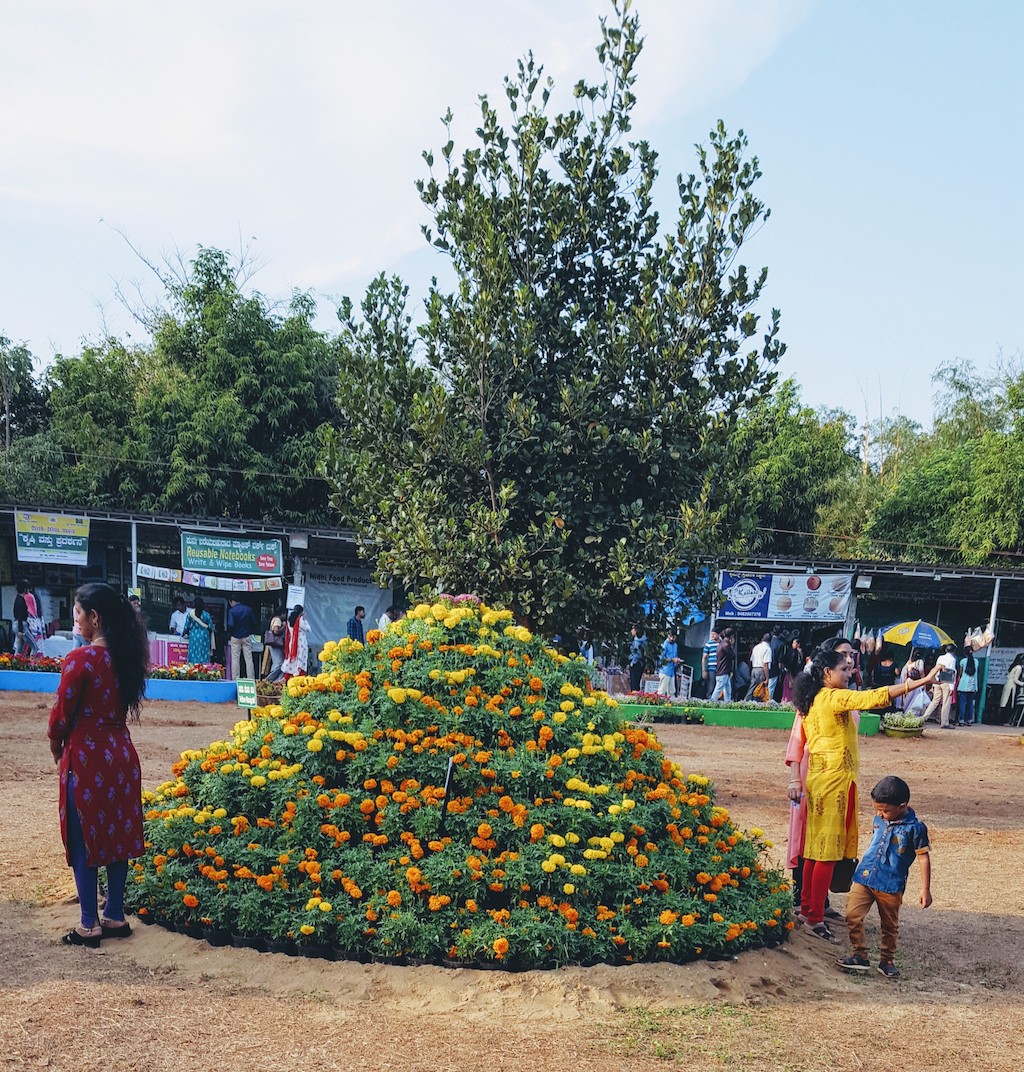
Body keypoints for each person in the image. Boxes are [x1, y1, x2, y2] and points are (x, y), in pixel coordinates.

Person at [790, 649, 938, 942]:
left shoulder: (813, 699)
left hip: (821, 780)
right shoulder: (833, 697)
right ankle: (814, 917)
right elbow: (874, 697)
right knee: (826, 853)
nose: (849, 674)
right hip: (833, 781)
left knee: (814, 851)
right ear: (826, 673)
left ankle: (808, 909)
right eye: (844, 669)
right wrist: (919, 683)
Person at [46, 582, 147, 948]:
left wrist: (57, 746)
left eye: (77, 616)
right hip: (121, 754)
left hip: (86, 757)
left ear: (94, 618)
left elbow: (61, 715)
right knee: (116, 834)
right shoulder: (127, 658)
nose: (75, 623)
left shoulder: (79, 660)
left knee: (82, 835)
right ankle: (115, 916)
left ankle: (89, 925)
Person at [784, 636, 856, 916]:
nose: (849, 660)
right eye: (843, 655)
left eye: (851, 655)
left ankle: (818, 902)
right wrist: (794, 778)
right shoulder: (815, 698)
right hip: (812, 774)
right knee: (807, 838)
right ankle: (805, 901)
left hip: (837, 775)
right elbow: (796, 741)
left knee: (826, 840)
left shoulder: (842, 691)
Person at [839, 775, 932, 979]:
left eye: (885, 810)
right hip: (865, 876)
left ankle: (886, 960)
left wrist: (925, 889)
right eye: (877, 810)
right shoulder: (879, 819)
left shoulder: (915, 829)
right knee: (852, 915)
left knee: (889, 925)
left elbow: (923, 858)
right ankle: (860, 955)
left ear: (902, 806)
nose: (880, 814)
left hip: (890, 884)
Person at [922, 643, 958, 728]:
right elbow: (951, 673)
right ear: (953, 651)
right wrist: (952, 687)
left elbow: (936, 669)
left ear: (945, 650)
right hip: (946, 682)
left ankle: (924, 718)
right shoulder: (952, 659)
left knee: (935, 701)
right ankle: (944, 722)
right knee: (945, 703)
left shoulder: (940, 658)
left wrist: (934, 683)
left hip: (938, 681)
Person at [226, 598, 257, 680]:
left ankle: (235, 678)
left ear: (232, 601)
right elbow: (254, 622)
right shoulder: (249, 610)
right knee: (249, 658)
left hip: (235, 637)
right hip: (246, 636)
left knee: (235, 658)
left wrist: (231, 632)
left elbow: (230, 624)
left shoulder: (232, 611)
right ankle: (251, 678)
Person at [13, 579, 45, 656]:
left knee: (19, 649)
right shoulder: (21, 601)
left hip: (17, 624)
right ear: (25, 589)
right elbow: (20, 616)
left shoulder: (17, 599)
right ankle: (31, 664)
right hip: (21, 626)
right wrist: (21, 630)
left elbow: (15, 614)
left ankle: (15, 663)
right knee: (35, 647)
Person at [182, 596, 215, 665]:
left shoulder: (190, 614)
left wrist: (184, 633)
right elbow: (211, 626)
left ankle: (193, 668)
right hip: (204, 636)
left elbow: (186, 626)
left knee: (194, 652)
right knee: (203, 652)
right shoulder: (206, 614)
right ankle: (204, 668)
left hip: (194, 635)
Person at [282, 604, 310, 680]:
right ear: (301, 612)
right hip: (301, 644)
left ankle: (286, 677)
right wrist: (305, 619)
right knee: (300, 660)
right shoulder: (300, 620)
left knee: (292, 660)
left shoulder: (289, 620)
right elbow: (308, 629)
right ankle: (298, 678)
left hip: (292, 643)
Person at [710, 628, 735, 701]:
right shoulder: (726, 645)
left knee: (727, 690)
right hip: (724, 671)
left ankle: (727, 704)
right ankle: (711, 702)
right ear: (731, 636)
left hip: (722, 671)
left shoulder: (721, 644)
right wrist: (732, 645)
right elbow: (733, 655)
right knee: (718, 690)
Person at [956, 646, 979, 726]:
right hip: (973, 686)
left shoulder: (962, 661)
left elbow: (960, 674)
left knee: (962, 703)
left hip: (963, 685)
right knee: (970, 704)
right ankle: (969, 720)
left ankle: (961, 720)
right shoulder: (976, 661)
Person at [263, 606, 286, 682]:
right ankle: (269, 679)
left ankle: (276, 681)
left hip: (272, 645)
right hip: (276, 644)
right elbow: (276, 630)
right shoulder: (278, 620)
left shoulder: (274, 619)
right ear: (282, 613)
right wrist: (284, 626)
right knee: (279, 664)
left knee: (277, 663)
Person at [998, 653, 1024, 719]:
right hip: (1011, 687)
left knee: (1004, 702)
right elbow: (1015, 679)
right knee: (1009, 703)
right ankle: (1005, 720)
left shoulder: (1015, 666)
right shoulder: (1019, 668)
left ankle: (1002, 719)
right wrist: (1022, 684)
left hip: (1008, 685)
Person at [657, 629, 681, 699]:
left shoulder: (675, 645)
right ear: (668, 635)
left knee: (672, 692)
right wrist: (672, 660)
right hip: (665, 671)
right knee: (661, 692)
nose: (671, 638)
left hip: (672, 671)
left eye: (673, 637)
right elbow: (661, 659)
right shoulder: (664, 645)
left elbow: (675, 656)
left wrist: (677, 661)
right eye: (670, 636)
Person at [749, 632, 772, 701]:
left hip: (754, 668)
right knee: (760, 689)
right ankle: (758, 705)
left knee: (752, 688)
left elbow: (751, 660)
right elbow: (765, 664)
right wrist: (767, 678)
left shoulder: (756, 647)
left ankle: (746, 701)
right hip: (761, 670)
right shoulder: (767, 649)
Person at [768, 625, 786, 701]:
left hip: (764, 666)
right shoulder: (781, 644)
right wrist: (780, 672)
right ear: (780, 634)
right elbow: (780, 660)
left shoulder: (768, 641)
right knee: (771, 688)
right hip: (774, 669)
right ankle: (767, 703)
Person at [628, 625, 647, 693]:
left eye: (632, 630)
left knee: (634, 683)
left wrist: (632, 663)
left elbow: (637, 654)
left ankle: (634, 697)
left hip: (636, 663)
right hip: (642, 663)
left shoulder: (636, 641)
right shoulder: (644, 639)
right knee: (637, 682)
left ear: (636, 631)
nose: (631, 631)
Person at [701, 628, 719, 699]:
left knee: (719, 686)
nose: (712, 636)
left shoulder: (721, 643)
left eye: (714, 634)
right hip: (711, 668)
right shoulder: (708, 644)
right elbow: (704, 658)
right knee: (711, 686)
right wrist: (704, 670)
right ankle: (709, 699)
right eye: (712, 634)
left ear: (718, 634)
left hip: (720, 668)